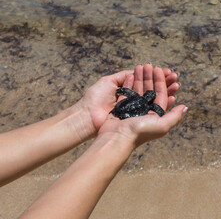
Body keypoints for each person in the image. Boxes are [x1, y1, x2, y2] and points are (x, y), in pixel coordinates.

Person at [0, 63, 187, 218]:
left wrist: (84, 117)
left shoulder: (130, 97)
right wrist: (120, 137)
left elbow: (127, 100)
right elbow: (145, 105)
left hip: (121, 111)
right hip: (125, 113)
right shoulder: (146, 103)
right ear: (151, 100)